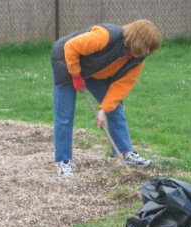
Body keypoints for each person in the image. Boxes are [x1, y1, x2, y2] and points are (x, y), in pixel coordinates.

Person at [51, 19, 162, 177]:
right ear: (137, 41)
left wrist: (103, 110)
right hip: (66, 60)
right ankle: (64, 161)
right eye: (146, 48)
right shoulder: (105, 37)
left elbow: (120, 87)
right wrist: (75, 74)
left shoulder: (138, 58)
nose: (147, 53)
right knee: (65, 115)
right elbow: (71, 46)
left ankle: (126, 154)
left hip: (93, 70)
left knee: (114, 107)